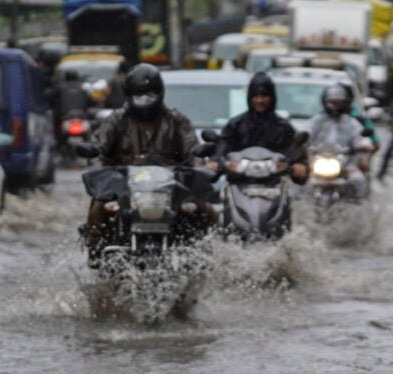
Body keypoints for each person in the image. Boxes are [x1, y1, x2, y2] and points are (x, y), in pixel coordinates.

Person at [85, 63, 200, 265]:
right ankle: (96, 256)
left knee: (204, 208)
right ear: (129, 95)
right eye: (139, 96)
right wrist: (100, 171)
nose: (144, 102)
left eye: (149, 95)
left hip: (169, 187)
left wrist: (201, 169)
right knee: (98, 209)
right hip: (123, 187)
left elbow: (193, 151)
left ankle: (205, 255)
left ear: (160, 93)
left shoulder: (177, 120)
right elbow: (98, 149)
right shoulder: (116, 120)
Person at [212, 71, 308, 184]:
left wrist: (298, 165)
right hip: (239, 183)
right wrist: (215, 162)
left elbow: (294, 150)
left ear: (272, 97)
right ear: (249, 98)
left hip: (273, 184)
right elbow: (223, 147)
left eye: (264, 96)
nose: (260, 100)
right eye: (256, 96)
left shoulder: (283, 127)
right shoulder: (235, 125)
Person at [309, 83, 373, 199]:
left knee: (358, 180)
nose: (334, 106)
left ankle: (356, 208)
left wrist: (364, 144)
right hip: (317, 162)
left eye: (337, 102)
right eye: (331, 102)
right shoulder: (317, 121)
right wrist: (301, 138)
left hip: (345, 164)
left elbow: (360, 137)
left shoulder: (351, 122)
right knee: (300, 181)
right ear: (324, 102)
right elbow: (307, 132)